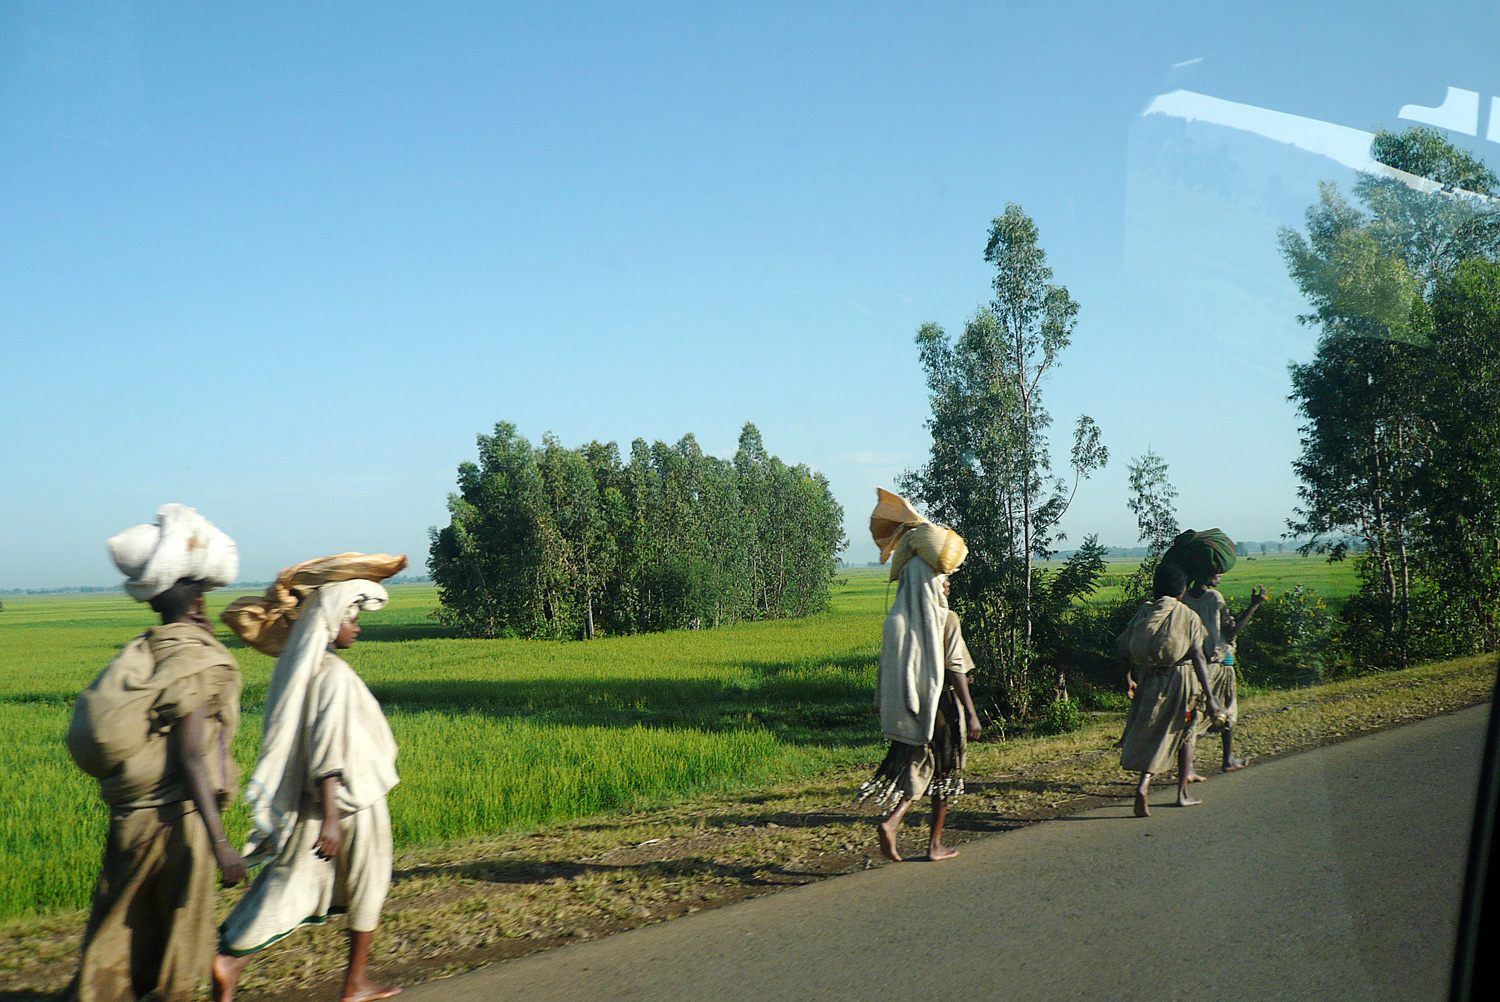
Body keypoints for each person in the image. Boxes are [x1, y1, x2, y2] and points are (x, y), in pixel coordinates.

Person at [64, 504, 246, 1002]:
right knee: (176, 948)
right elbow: (191, 756)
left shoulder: (154, 647)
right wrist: (220, 842)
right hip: (177, 823)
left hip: (132, 818)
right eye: (205, 592)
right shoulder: (192, 658)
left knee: (119, 932)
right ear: (198, 597)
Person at [214, 576, 402, 1002]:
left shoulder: (305, 668)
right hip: (352, 804)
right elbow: (327, 747)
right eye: (351, 618)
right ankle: (354, 984)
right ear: (331, 622)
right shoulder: (333, 674)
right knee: (370, 882)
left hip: (315, 803)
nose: (357, 626)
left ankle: (230, 962)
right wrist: (332, 819)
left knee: (289, 883)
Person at [858, 489, 982, 862]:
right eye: (942, 578)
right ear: (929, 581)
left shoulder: (895, 620)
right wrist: (972, 712)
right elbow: (956, 669)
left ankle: (893, 822)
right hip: (942, 706)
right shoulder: (946, 619)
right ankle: (934, 845)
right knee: (946, 774)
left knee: (917, 766)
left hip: (910, 709)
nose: (947, 583)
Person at [1117, 560, 1224, 818]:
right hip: (1182, 683)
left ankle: (1144, 785)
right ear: (1182, 590)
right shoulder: (1187, 615)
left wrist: (1127, 677)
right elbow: (1198, 656)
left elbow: (1122, 645)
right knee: (1185, 732)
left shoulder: (1145, 611)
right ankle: (1182, 794)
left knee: (1156, 733)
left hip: (1150, 680)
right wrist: (1210, 697)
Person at [1161, 529, 1265, 776]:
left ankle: (1188, 768)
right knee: (1228, 712)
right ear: (1208, 573)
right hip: (1219, 664)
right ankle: (1227, 758)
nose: (1220, 575)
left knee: (1193, 715)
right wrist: (1254, 606)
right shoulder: (1214, 598)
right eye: (1217, 571)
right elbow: (1231, 633)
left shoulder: (1184, 598)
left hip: (1193, 665)